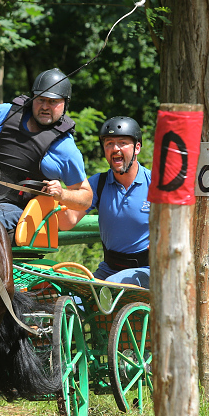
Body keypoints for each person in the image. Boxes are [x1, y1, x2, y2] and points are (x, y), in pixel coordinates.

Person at [0, 68, 92, 232]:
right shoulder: (4, 114)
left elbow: (85, 198)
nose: (45, 106)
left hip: (17, 211)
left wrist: (62, 194)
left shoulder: (65, 148)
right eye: (40, 99)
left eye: (52, 102)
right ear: (32, 98)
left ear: (65, 104)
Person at [70, 116, 150, 288]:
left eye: (122, 142)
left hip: (148, 270)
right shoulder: (98, 183)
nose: (115, 148)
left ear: (137, 148)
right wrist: (58, 194)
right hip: (109, 269)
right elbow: (67, 219)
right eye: (109, 143)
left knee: (110, 286)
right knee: (78, 297)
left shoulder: (155, 184)